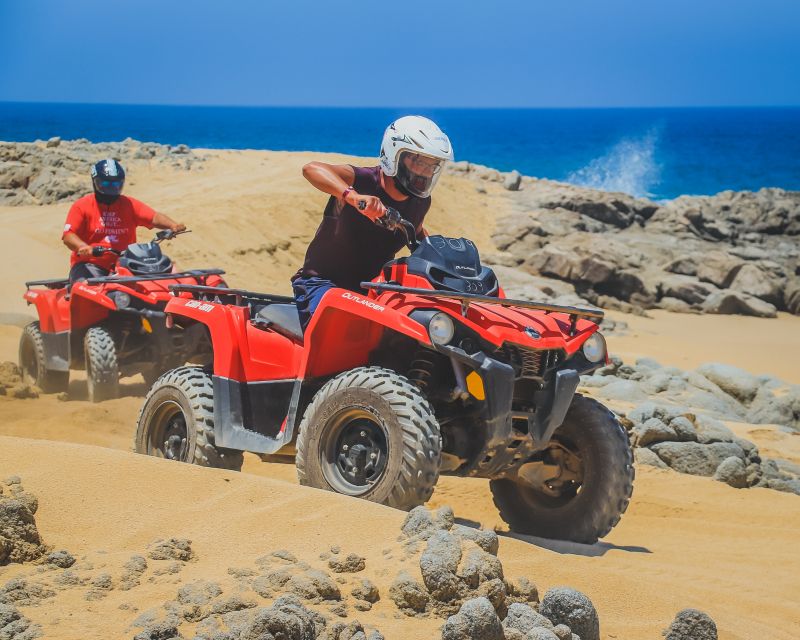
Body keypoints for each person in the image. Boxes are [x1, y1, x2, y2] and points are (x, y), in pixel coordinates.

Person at [292, 115, 454, 331]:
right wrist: (352, 197)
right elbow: (311, 169)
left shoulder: (421, 202)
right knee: (342, 333)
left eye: (432, 165)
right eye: (418, 161)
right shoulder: (362, 180)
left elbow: (414, 232)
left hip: (372, 290)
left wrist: (441, 255)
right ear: (394, 153)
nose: (424, 171)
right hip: (323, 285)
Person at [62, 158, 186, 282]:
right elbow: (68, 236)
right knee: (86, 287)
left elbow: (154, 217)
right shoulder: (82, 206)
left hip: (126, 263)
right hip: (90, 264)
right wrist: (83, 247)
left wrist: (172, 225)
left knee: (173, 272)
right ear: (95, 182)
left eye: (116, 184)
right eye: (105, 184)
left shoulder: (129, 204)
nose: (111, 188)